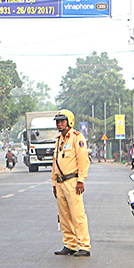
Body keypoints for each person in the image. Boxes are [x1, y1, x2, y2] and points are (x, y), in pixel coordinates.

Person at [52, 110, 91, 257]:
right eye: (58, 121)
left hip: (73, 181)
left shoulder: (77, 137)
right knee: (64, 216)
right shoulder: (59, 140)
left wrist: (81, 180)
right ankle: (70, 244)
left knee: (77, 214)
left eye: (63, 121)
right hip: (61, 183)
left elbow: (83, 160)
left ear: (70, 121)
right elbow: (55, 163)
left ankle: (84, 246)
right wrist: (54, 183)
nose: (60, 124)